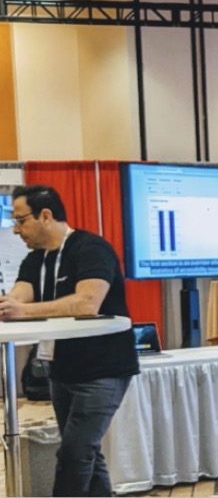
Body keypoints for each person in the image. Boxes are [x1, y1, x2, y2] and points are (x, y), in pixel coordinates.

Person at [0, 185, 139, 497]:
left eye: (21, 221)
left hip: (103, 369)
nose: (16, 230)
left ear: (45, 216)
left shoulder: (91, 248)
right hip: (61, 370)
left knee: (75, 453)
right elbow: (18, 298)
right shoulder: (34, 261)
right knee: (86, 452)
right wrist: (8, 306)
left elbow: (87, 304)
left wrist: (22, 310)